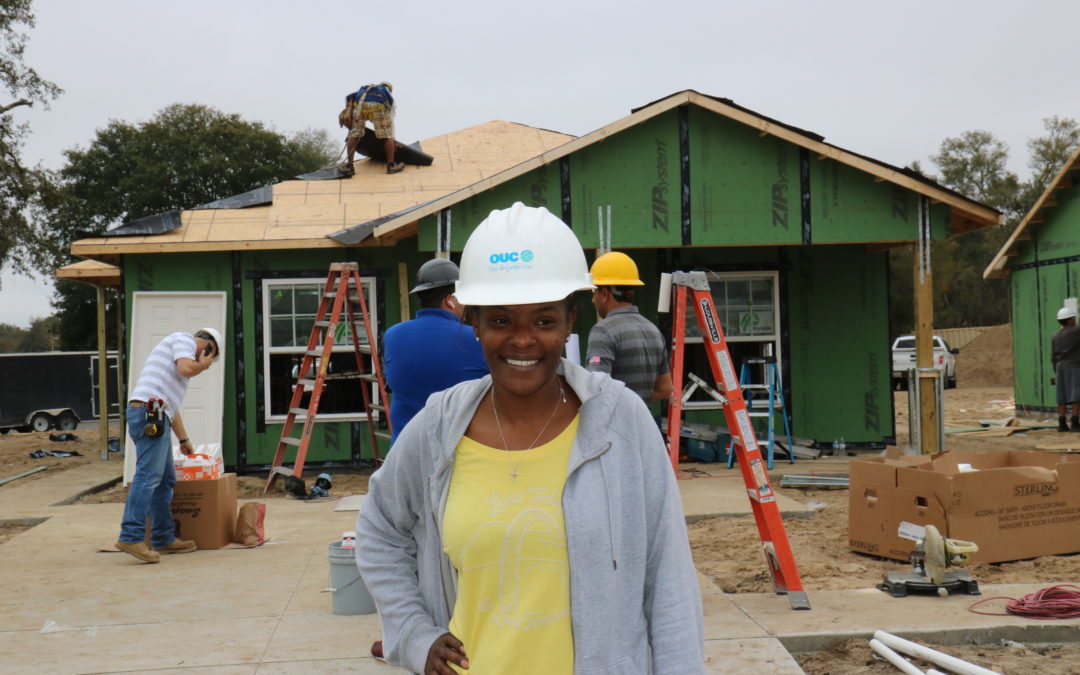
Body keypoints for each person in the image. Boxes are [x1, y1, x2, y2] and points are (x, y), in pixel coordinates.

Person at [356, 203, 704, 674]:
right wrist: (415, 633)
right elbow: (379, 528)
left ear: (569, 323)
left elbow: (670, 581)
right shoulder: (440, 427)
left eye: (543, 320)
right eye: (501, 321)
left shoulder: (621, 423)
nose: (523, 340)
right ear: (473, 322)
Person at [115, 328, 222, 563]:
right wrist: (203, 364)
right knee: (148, 476)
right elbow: (187, 368)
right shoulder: (182, 340)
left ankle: (163, 538)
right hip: (148, 413)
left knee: (164, 479)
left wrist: (184, 440)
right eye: (208, 356)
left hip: (155, 414)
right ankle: (130, 536)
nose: (205, 363)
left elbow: (171, 409)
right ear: (207, 347)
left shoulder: (175, 364)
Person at [383, 258, 489, 444]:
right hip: (457, 456)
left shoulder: (393, 336)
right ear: (450, 301)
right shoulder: (475, 339)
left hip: (404, 456)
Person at [585, 251, 673, 403]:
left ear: (605, 293)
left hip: (613, 425)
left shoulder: (603, 331)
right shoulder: (653, 330)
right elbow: (665, 388)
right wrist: (636, 404)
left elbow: (595, 388)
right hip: (643, 425)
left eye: (594, 292)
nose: (592, 300)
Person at [337, 81, 403, 175]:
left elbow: (349, 97)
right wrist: (393, 140)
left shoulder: (365, 89)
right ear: (389, 89)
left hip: (359, 105)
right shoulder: (385, 92)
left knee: (354, 134)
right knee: (387, 135)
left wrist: (349, 111)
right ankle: (391, 165)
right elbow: (391, 117)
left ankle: (349, 166)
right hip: (378, 105)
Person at [1051, 305, 1080, 432]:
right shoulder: (1076, 331)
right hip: (1073, 367)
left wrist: (1055, 372)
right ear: (1069, 320)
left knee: (1061, 397)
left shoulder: (1055, 336)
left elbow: (1053, 356)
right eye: (1073, 318)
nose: (1075, 320)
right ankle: (1075, 423)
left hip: (1059, 368)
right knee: (1075, 395)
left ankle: (1062, 424)